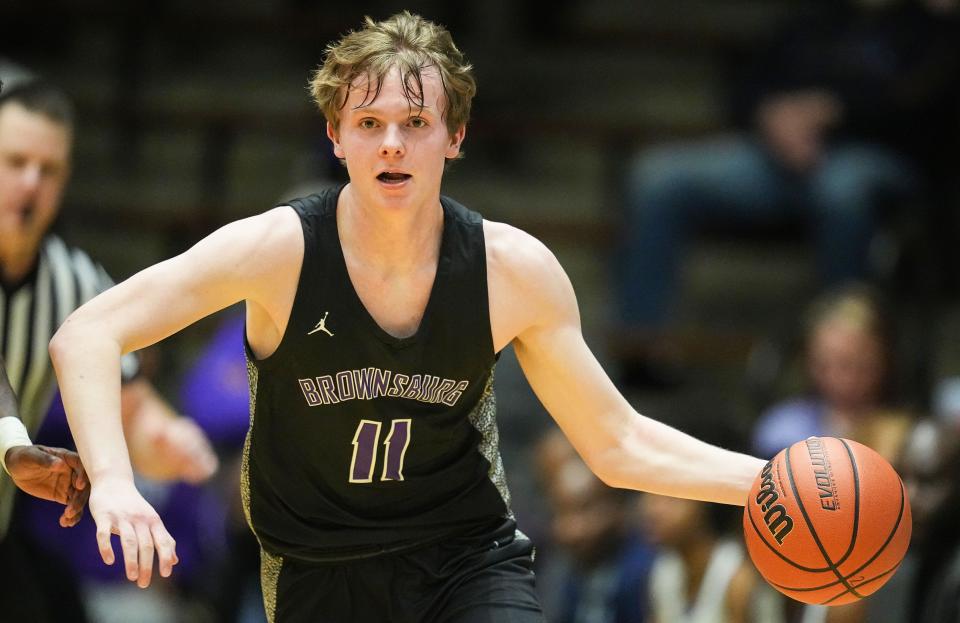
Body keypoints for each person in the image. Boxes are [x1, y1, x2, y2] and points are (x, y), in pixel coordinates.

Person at [49, 13, 765, 622]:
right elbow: (85, 332)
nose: (392, 142)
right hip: (317, 565)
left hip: (465, 558)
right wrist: (114, 479)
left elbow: (616, 441)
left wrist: (767, 481)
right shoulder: (279, 250)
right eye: (369, 122)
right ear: (337, 136)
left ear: (454, 135)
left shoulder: (510, 269)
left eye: (416, 122)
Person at [615, 0, 960, 380]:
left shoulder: (928, 25)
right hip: (778, 155)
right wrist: (772, 116)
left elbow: (925, 107)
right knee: (659, 177)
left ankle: (843, 353)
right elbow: (746, 84)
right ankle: (641, 348)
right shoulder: (811, 19)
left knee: (841, 191)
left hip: (875, 152)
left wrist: (836, 111)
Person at [0, 65, 219, 619]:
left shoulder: (76, 283)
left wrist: (166, 438)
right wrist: (10, 443)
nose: (31, 183)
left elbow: (129, 409)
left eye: (47, 169)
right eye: (14, 162)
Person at [752, 285, 912, 464]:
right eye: (825, 364)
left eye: (856, 364)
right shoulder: (783, 429)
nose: (842, 379)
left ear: (884, 359)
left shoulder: (908, 435)